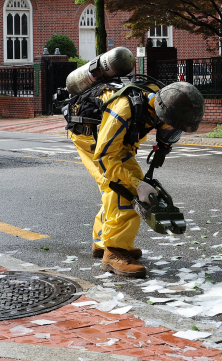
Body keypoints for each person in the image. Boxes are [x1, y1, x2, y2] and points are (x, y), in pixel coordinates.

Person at [70, 80, 204, 278]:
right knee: (123, 189)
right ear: (161, 112)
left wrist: (162, 147)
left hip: (114, 137)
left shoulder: (162, 99)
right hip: (91, 137)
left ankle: (102, 242)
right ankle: (114, 251)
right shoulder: (124, 109)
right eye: (171, 125)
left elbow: (139, 131)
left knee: (115, 189)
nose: (170, 129)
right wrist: (137, 184)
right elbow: (105, 158)